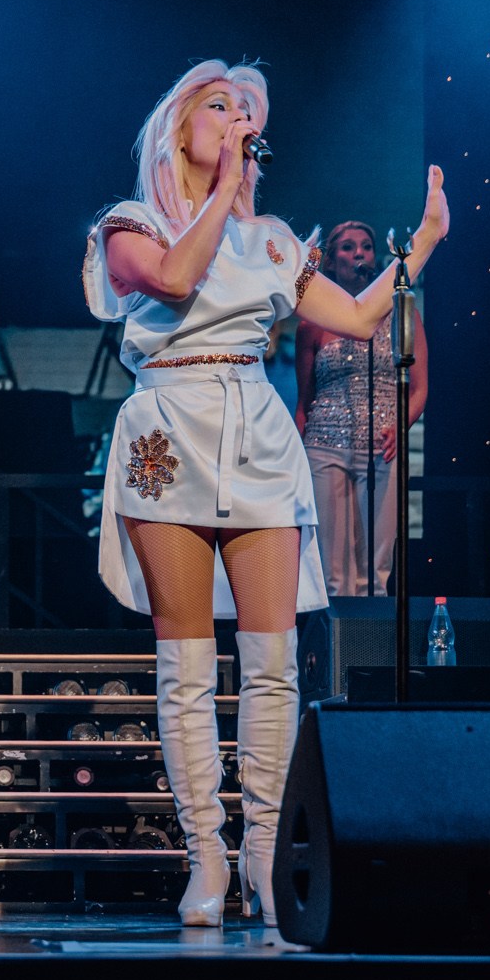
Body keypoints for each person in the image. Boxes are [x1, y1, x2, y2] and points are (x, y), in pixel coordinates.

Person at [85, 60, 448, 928]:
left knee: (274, 663)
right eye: (220, 106)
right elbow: (175, 279)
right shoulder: (127, 224)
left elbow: (358, 319)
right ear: (179, 128)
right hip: (169, 426)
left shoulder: (275, 241)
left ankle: (263, 855)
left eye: (249, 110)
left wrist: (425, 242)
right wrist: (224, 189)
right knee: (186, 668)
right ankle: (204, 854)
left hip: (258, 429)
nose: (239, 117)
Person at [294, 220, 428, 596]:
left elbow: (420, 389)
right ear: (332, 262)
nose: (359, 254)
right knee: (334, 572)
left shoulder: (404, 315)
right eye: (348, 248)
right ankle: (338, 651)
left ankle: (374, 650)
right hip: (324, 447)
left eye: (366, 247)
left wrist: (400, 426)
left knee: (377, 571)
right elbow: (303, 402)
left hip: (383, 449)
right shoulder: (312, 325)